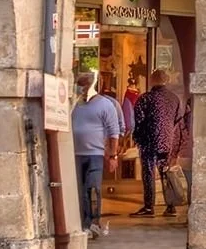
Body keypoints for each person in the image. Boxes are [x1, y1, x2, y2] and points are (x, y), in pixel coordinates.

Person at [72, 70, 121, 239]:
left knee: (91, 188)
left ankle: (93, 222)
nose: (82, 89)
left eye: (84, 85)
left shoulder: (106, 105)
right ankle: (82, 222)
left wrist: (113, 155)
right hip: (75, 154)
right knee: (79, 190)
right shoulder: (75, 104)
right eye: (80, 85)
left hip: (95, 154)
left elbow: (114, 132)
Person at [131, 70, 181, 217]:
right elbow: (177, 119)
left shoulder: (145, 98)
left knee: (148, 173)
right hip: (167, 141)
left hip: (148, 141)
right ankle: (171, 205)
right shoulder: (174, 99)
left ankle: (148, 206)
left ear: (152, 80)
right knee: (165, 171)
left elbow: (138, 120)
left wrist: (137, 137)